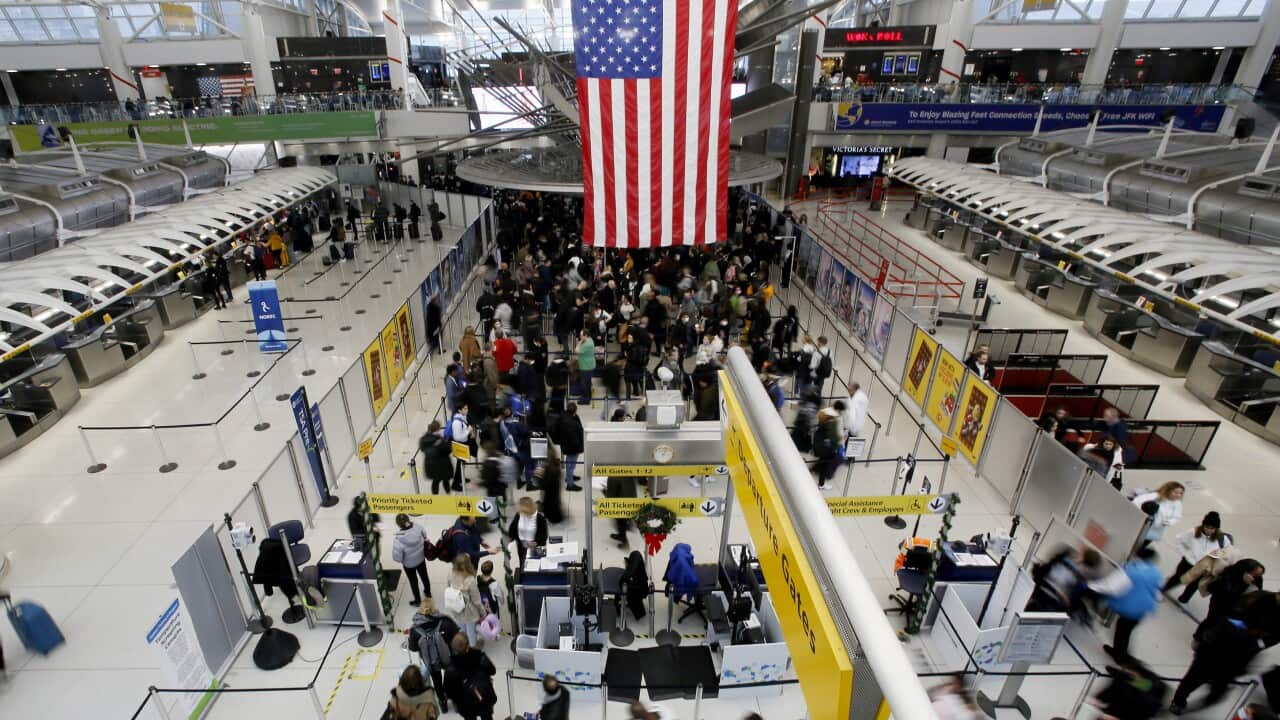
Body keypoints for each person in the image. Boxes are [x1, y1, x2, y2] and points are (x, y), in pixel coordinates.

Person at [1169, 612, 1269, 715]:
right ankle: (1193, 707)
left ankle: (1177, 703)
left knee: (1188, 683)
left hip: (1204, 662)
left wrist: (1200, 654)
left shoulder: (1226, 622)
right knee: (1214, 695)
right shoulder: (1253, 644)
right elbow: (1243, 666)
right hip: (1224, 673)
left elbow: (1207, 637)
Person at [1090, 546, 1162, 662]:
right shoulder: (1155, 572)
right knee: (1126, 630)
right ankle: (1120, 653)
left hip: (1130, 609)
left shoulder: (1131, 570)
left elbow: (1112, 587)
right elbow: (1158, 593)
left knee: (1122, 632)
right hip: (1143, 610)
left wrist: (1091, 586)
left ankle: (1119, 657)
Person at [1162, 511, 1231, 602]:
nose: (1209, 530)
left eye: (1212, 528)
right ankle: (1163, 590)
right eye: (1207, 527)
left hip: (1204, 568)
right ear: (1203, 525)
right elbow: (1179, 541)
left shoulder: (1222, 539)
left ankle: (1184, 598)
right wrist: (1187, 555)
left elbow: (1227, 551)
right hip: (1188, 563)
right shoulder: (1193, 532)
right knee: (1178, 578)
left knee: (1194, 585)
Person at [408, 598, 458, 711]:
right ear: (434, 608)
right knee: (451, 678)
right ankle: (454, 699)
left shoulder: (415, 629)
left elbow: (413, 648)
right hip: (447, 656)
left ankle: (443, 704)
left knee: (436, 681)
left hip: (430, 660)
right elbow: (456, 634)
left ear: (421, 609)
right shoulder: (445, 621)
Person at [1198, 558, 1266, 634]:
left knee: (1221, 624)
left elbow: (1257, 592)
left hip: (1235, 607)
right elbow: (1228, 593)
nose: (1254, 576)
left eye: (1258, 574)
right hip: (1220, 602)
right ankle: (1200, 635)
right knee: (1212, 620)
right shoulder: (1230, 574)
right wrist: (1244, 583)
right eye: (1254, 573)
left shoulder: (1257, 579)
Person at [443, 633, 497, 720]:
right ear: (468, 645)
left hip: (465, 706)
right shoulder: (479, 656)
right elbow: (492, 671)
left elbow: (448, 691)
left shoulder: (451, 668)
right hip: (483, 698)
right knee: (487, 717)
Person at [445, 554, 485, 648]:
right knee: (471, 631)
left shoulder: (450, 574)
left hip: (455, 608)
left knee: (462, 630)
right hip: (468, 611)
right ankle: (472, 648)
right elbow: (476, 600)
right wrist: (482, 611)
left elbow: (448, 588)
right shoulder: (470, 579)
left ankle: (463, 647)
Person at [392, 513, 432, 606]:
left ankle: (417, 601)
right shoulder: (418, 527)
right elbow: (425, 535)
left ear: (398, 525)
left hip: (409, 565)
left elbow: (397, 558)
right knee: (424, 576)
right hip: (421, 559)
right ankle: (428, 592)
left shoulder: (398, 540)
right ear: (408, 519)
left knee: (413, 582)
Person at [506, 496, 548, 569]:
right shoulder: (518, 515)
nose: (519, 509)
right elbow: (513, 528)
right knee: (522, 563)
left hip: (534, 547)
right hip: (521, 546)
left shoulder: (540, 518)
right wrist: (509, 539)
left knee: (534, 565)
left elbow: (544, 536)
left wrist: (536, 543)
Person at [420, 421, 455, 495]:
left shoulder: (423, 439)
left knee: (435, 481)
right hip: (442, 464)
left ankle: (435, 496)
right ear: (437, 429)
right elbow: (448, 450)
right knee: (445, 479)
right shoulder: (439, 440)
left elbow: (423, 449)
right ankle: (448, 493)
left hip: (431, 464)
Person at [555, 403, 584, 490]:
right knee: (570, 465)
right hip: (572, 447)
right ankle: (570, 484)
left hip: (566, 445)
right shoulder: (571, 422)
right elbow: (574, 437)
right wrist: (579, 447)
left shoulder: (563, 417)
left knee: (570, 463)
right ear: (575, 410)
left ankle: (569, 477)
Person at [813, 408, 842, 492]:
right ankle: (821, 484)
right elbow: (834, 438)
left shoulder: (821, 423)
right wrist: (840, 439)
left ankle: (815, 469)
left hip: (820, 448)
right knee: (825, 467)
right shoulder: (829, 425)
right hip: (826, 451)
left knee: (822, 462)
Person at [449, 402, 473, 492]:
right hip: (460, 445)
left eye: (467, 408)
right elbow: (458, 437)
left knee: (462, 464)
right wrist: (468, 431)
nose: (467, 410)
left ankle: (460, 478)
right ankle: (455, 484)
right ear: (459, 410)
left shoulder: (462, 417)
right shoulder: (457, 423)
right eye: (465, 409)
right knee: (460, 465)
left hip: (464, 444)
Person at [538, 451, 565, 524]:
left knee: (549, 504)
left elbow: (543, 484)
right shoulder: (556, 465)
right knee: (555, 503)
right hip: (555, 491)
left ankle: (552, 517)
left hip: (549, 492)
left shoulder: (548, 468)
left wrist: (539, 476)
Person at [576, 330, 596, 404]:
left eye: (581, 335)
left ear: (586, 335)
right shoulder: (590, 340)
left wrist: (579, 343)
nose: (580, 337)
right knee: (587, 382)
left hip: (586, 366)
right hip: (587, 365)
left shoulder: (587, 344)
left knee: (584, 383)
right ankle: (588, 396)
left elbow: (577, 350)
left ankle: (585, 399)